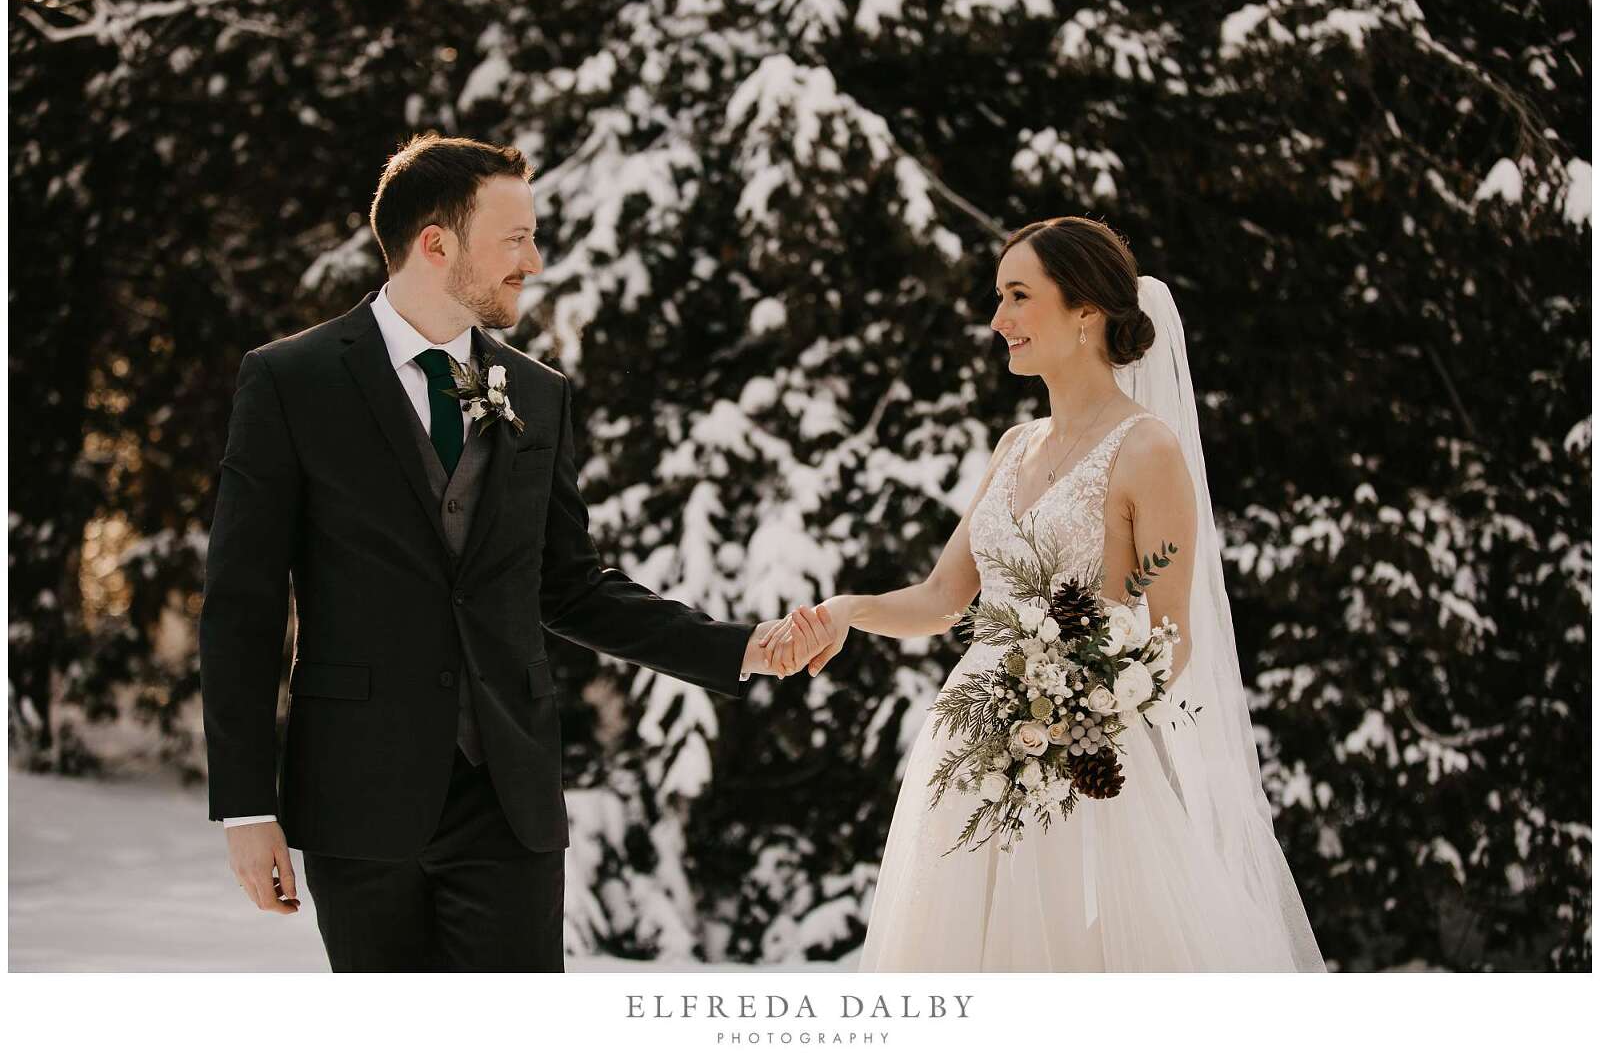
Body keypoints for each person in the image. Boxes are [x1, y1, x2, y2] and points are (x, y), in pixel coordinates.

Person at [199, 133, 830, 971]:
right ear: (436, 243)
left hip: (509, 799)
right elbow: (242, 604)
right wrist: (246, 808)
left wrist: (736, 645)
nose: (534, 259)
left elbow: (567, 585)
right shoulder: (291, 380)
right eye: (517, 239)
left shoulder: (535, 392)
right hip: (358, 795)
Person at [764, 216, 1326, 970]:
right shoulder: (1014, 445)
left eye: (1018, 296)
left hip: (1084, 774)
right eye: (999, 297)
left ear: (1086, 310)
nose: (998, 319)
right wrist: (845, 612)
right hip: (973, 752)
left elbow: (1172, 635)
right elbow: (941, 598)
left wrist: (1077, 711)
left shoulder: (1147, 449)